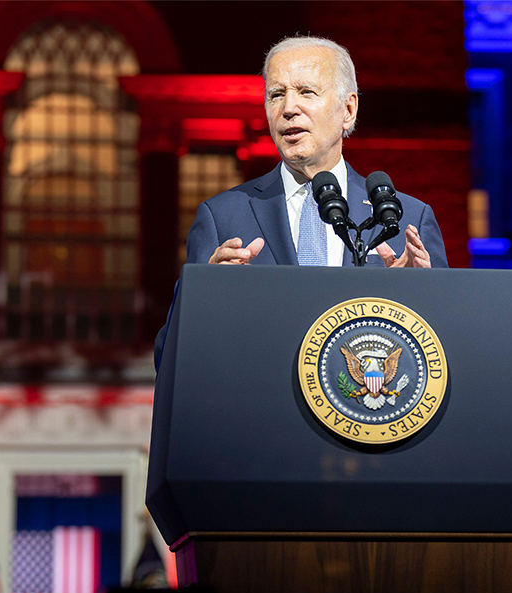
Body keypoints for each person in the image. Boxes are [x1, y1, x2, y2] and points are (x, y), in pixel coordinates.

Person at [155, 36, 448, 367]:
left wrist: (421, 296)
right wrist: (205, 301)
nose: (288, 108)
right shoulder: (222, 217)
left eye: (306, 92)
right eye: (276, 95)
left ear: (348, 110)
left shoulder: (407, 217)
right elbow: (169, 358)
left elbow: (446, 351)